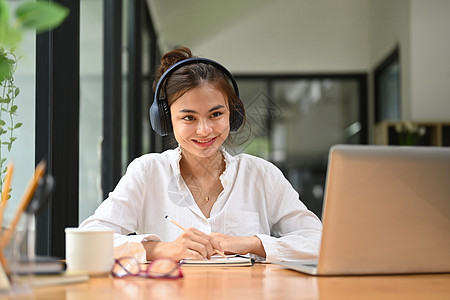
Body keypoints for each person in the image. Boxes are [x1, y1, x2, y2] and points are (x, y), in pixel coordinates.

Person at [79, 47, 322, 263]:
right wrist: (162, 249)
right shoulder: (147, 172)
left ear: (233, 114)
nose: (204, 130)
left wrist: (252, 244)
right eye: (188, 117)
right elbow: (86, 243)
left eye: (216, 114)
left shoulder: (261, 174)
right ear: (166, 121)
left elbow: (319, 242)